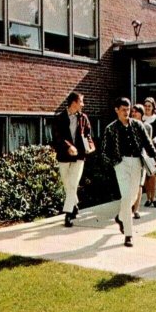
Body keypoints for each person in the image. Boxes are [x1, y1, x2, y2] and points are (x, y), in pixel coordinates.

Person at [101, 97, 156, 247]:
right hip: (121, 164)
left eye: (128, 110)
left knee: (133, 197)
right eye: (123, 110)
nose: (126, 112)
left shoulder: (138, 125)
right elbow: (104, 152)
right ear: (116, 110)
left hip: (137, 162)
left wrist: (155, 157)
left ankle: (121, 217)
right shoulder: (110, 129)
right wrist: (115, 163)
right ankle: (129, 234)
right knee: (126, 196)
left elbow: (147, 142)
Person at [52, 92, 94, 228]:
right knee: (67, 184)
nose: (83, 104)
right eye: (81, 101)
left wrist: (90, 146)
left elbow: (88, 135)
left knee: (73, 183)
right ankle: (74, 205)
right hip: (64, 156)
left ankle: (68, 214)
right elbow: (57, 137)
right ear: (74, 103)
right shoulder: (59, 118)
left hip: (80, 156)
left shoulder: (84, 118)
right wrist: (68, 146)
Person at [129, 103, 152, 219]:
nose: (133, 114)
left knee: (139, 184)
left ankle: (136, 209)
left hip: (141, 159)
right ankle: (129, 207)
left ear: (142, 114)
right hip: (128, 159)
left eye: (136, 112)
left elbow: (148, 144)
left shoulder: (147, 127)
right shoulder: (127, 126)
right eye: (132, 112)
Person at [142, 97, 156, 208]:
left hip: (155, 149)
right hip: (144, 151)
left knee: (154, 174)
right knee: (146, 175)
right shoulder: (141, 119)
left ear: (153, 107)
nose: (147, 108)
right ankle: (148, 198)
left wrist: (152, 140)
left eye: (149, 106)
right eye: (145, 106)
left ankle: (153, 197)